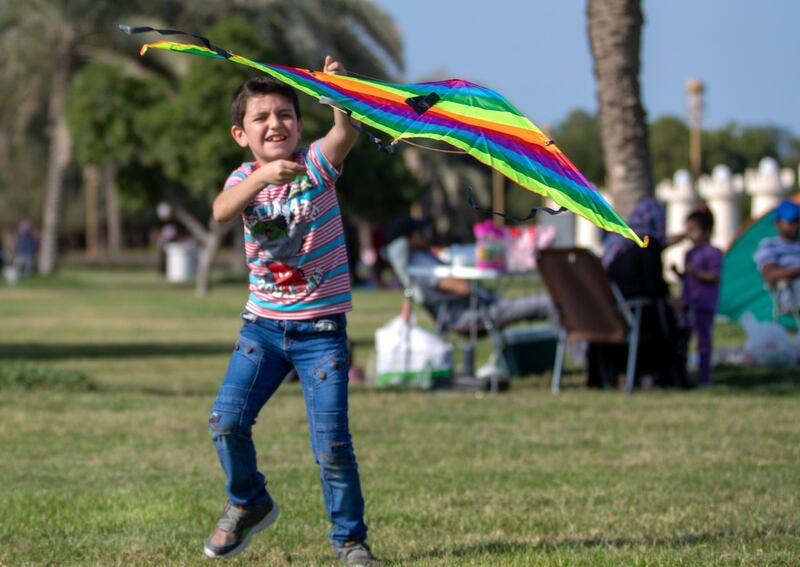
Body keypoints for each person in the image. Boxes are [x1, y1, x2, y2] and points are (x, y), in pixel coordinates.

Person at [204, 61, 376, 566]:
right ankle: (249, 500)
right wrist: (261, 176)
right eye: (261, 118)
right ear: (241, 134)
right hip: (262, 330)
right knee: (225, 421)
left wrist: (335, 93)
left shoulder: (317, 165)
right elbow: (220, 210)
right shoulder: (244, 176)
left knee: (332, 445)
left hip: (321, 333)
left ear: (300, 127)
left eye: (285, 114)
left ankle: (349, 541)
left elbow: (344, 132)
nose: (274, 123)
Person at [385, 216, 551, 334]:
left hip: (472, 309)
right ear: (410, 237)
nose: (427, 233)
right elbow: (463, 288)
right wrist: (467, 272)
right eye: (421, 231)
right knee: (549, 302)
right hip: (467, 315)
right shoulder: (420, 263)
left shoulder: (421, 258)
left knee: (545, 302)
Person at [590, 198, 686, 389]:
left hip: (606, 315)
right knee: (670, 320)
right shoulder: (647, 245)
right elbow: (654, 287)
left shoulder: (615, 243)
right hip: (634, 316)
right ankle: (660, 376)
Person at [672, 208, 722, 388]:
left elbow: (714, 276)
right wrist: (679, 274)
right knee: (683, 340)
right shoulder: (689, 253)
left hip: (703, 304)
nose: (689, 234)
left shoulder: (713, 253)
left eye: (693, 230)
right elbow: (688, 279)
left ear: (707, 231)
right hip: (688, 303)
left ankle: (704, 377)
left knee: (703, 342)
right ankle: (682, 375)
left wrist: (696, 273)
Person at [754, 199, 800, 313]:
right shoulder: (770, 245)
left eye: (797, 221)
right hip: (790, 293)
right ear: (777, 223)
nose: (795, 225)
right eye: (790, 221)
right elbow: (770, 274)